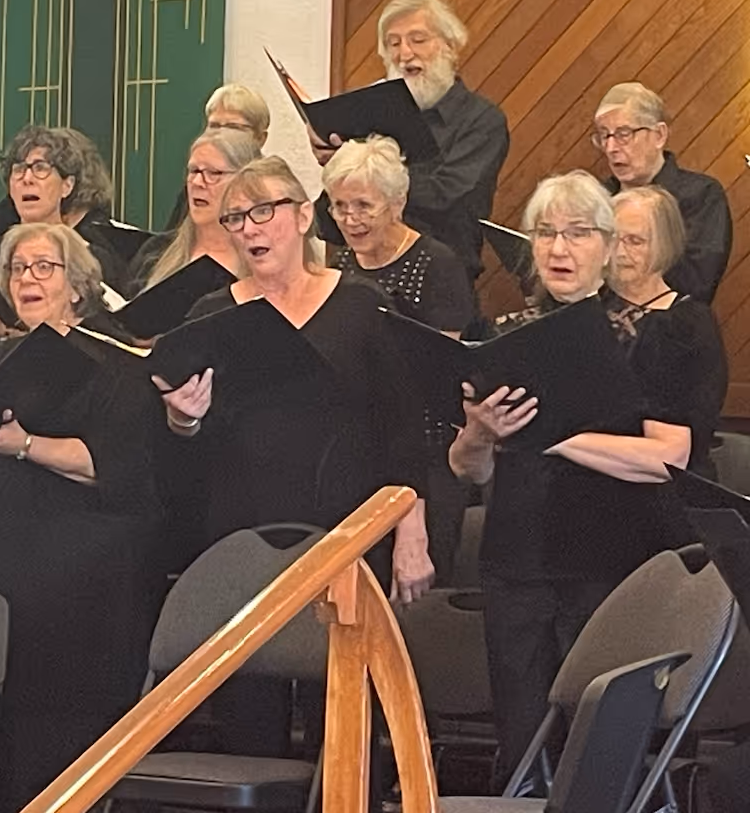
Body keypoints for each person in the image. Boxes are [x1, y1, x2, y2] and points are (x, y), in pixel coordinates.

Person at [448, 172, 696, 786]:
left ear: (611, 247)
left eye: (578, 233)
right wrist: (480, 433)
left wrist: (549, 433)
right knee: (521, 740)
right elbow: (467, 468)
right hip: (516, 564)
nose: (559, 249)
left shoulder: (658, 335)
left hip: (609, 561)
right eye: (546, 233)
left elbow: (668, 458)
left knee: (599, 751)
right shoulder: (499, 334)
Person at [0, 223, 162, 811]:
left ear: (79, 285)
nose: (27, 279)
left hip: (77, 585)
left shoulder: (115, 358)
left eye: (44, 267)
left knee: (53, 745)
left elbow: (113, 464)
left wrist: (22, 444)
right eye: (17, 269)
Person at [155, 157, 433, 596]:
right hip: (240, 536)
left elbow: (405, 431)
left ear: (304, 216)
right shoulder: (210, 316)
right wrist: (183, 421)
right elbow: (181, 461)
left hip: (348, 531)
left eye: (263, 210)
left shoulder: (361, 305)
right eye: (236, 218)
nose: (249, 229)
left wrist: (411, 530)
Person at [320, 135, 476, 576]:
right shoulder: (343, 265)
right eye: (339, 206)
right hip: (362, 451)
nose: (350, 219)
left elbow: (440, 371)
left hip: (428, 451)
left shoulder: (437, 264)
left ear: (398, 202)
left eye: (363, 206)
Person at [314, 0, 510, 284]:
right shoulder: (369, 118)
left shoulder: (482, 121)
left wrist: (368, 174)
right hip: (358, 277)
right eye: (394, 44)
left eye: (418, 40)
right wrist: (338, 164)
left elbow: (446, 197)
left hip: (441, 281)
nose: (405, 54)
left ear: (450, 48)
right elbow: (326, 225)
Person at [0, 125, 128, 340]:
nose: (27, 178)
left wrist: (6, 334)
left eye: (41, 168)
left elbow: (108, 335)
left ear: (67, 185)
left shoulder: (93, 258)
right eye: (18, 169)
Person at [607, 185, 726, 474]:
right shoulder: (589, 309)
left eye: (635, 241)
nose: (621, 252)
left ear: (665, 245)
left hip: (667, 482)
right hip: (589, 471)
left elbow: (681, 443)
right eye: (613, 239)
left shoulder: (688, 325)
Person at [594, 82, 732, 302]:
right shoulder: (597, 198)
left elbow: (697, 285)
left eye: (623, 134)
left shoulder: (701, 195)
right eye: (604, 136)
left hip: (668, 327)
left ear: (659, 135)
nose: (611, 148)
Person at [131, 128, 259, 292]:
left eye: (213, 173)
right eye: (194, 171)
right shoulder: (156, 252)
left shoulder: (263, 259)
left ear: (245, 181)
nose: (197, 182)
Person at [163, 84, 272, 229]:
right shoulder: (197, 184)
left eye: (233, 128)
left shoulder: (273, 189)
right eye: (214, 126)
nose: (221, 135)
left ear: (260, 138)